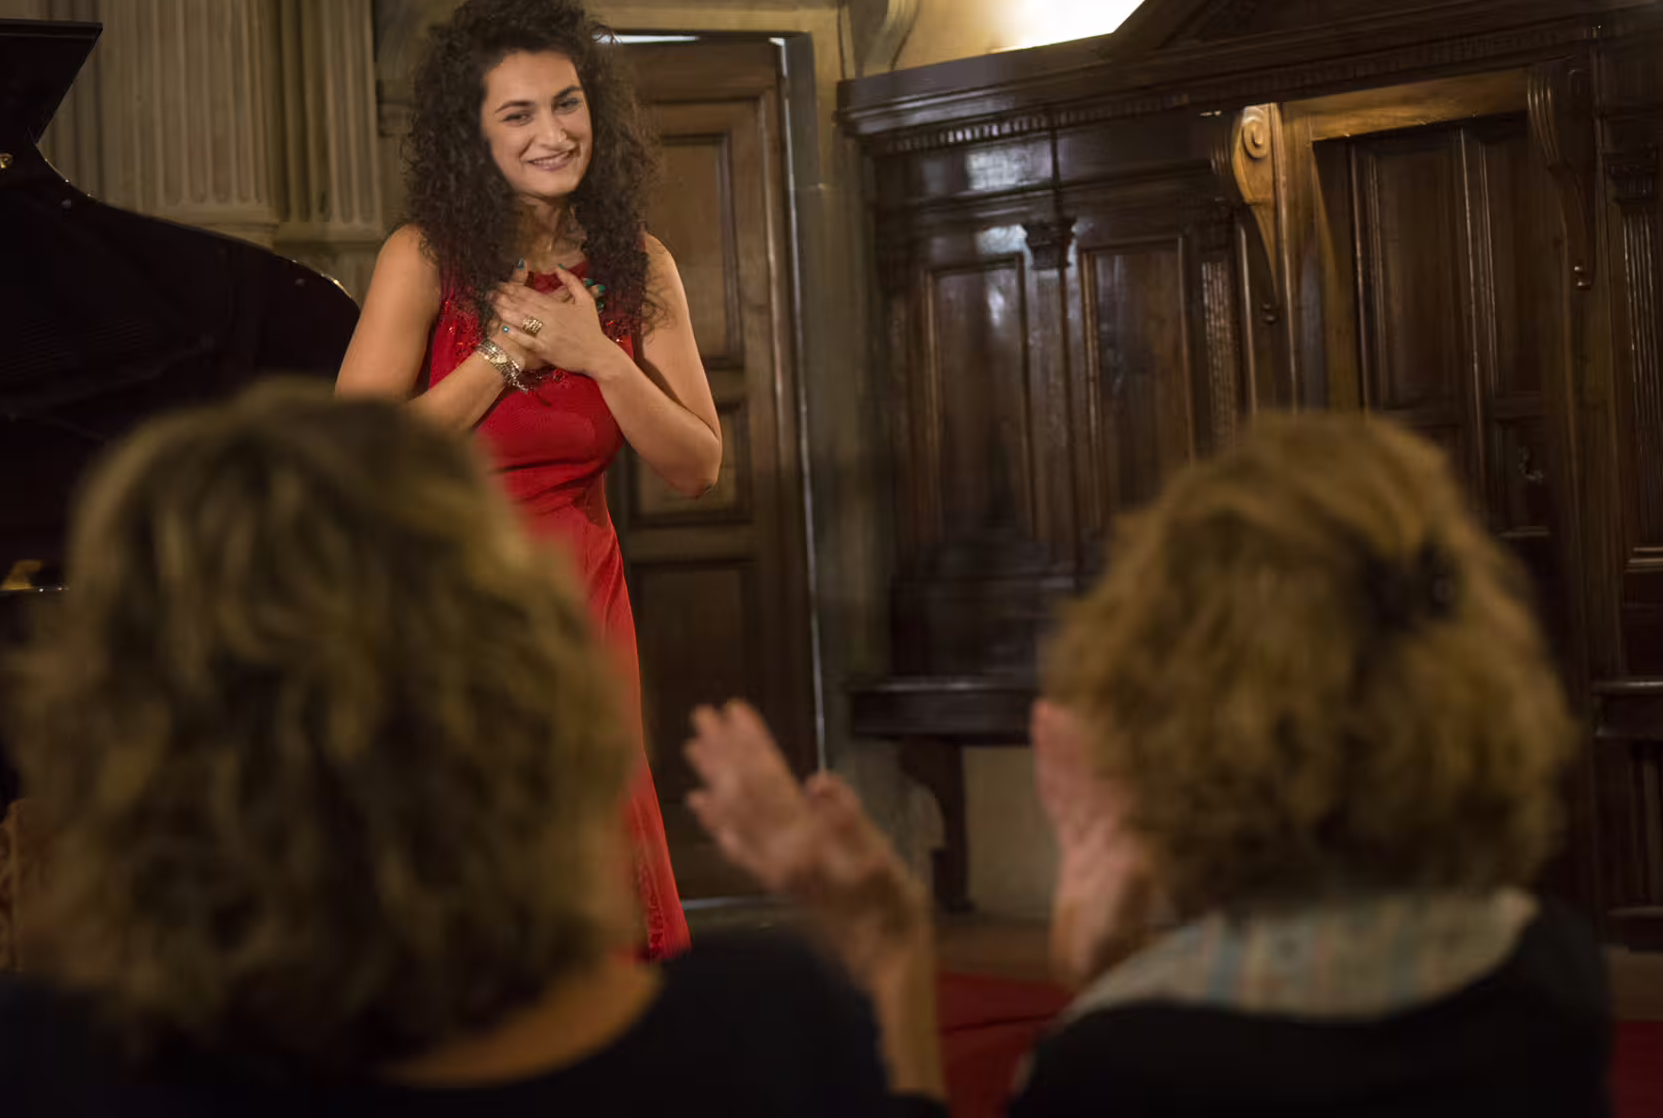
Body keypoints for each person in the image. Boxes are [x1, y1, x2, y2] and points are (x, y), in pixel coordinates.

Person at [0, 383, 909, 1118]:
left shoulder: (16, 1070)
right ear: (530, 686)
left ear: (123, 722)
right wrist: (893, 960)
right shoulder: (770, 1027)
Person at [687, 411, 1612, 1118]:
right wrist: (1109, 976)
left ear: (1177, 704)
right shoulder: (1551, 973)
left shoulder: (1119, 1061)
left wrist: (895, 960)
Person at [337, 0, 718, 959]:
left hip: (581, 599)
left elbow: (697, 464)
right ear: (476, 134)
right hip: (447, 600)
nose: (551, 131)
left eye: (566, 103)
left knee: (589, 870)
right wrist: (500, 357)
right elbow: (356, 461)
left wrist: (599, 354)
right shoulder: (421, 257)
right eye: (518, 113)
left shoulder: (641, 263)